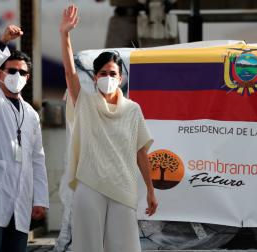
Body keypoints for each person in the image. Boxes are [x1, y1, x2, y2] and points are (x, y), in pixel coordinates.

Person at [59, 5, 158, 252]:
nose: (108, 78)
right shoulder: (85, 102)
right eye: (102, 73)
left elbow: (140, 153)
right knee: (88, 247)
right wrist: (65, 34)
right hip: (90, 185)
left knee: (125, 247)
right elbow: (70, 72)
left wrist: (150, 190)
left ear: (121, 78)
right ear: (94, 77)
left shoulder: (133, 109)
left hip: (123, 187)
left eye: (112, 73)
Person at [0, 25, 49, 252]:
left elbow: (37, 158)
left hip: (21, 203)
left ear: (28, 77)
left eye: (22, 73)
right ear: (0, 73)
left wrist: (40, 199)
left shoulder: (31, 114)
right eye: (11, 71)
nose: (17, 76)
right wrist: (2, 42)